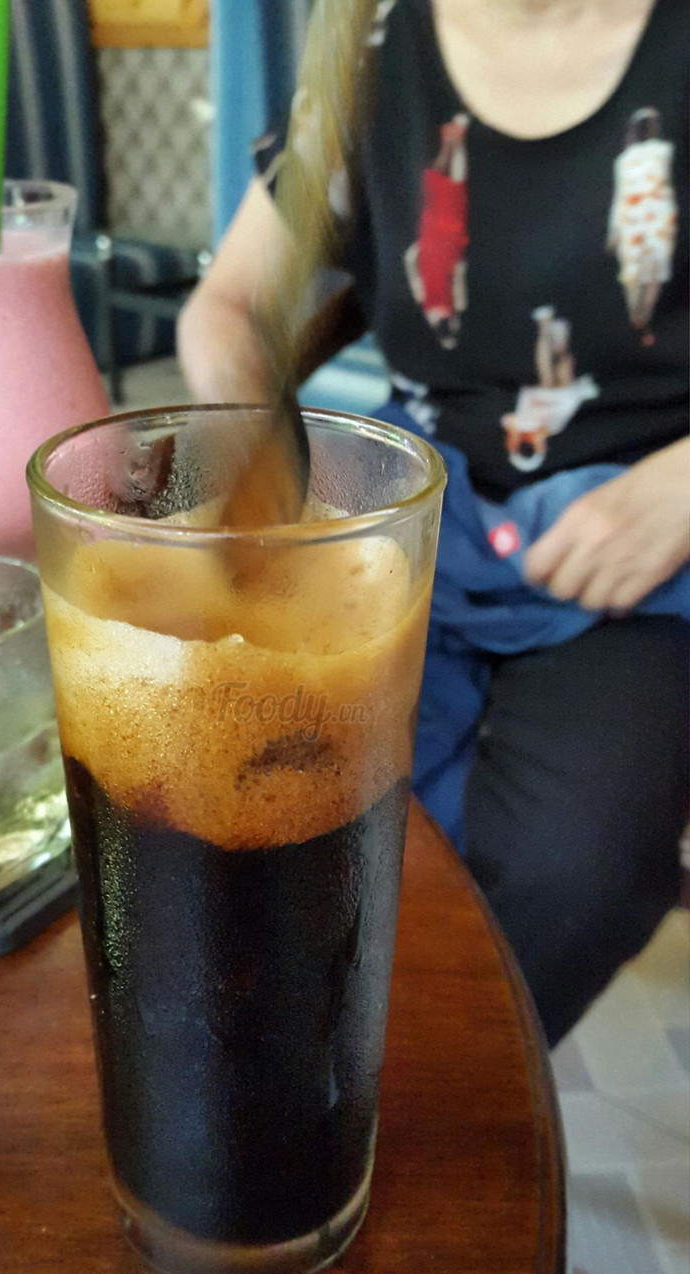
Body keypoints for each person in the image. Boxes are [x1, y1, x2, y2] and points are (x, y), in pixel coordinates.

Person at [178, 0, 689, 1047]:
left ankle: (425, 1082)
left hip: (643, 546)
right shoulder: (372, 46)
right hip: (411, 519)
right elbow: (226, 309)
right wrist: (266, 462)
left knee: (575, 862)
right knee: (258, 782)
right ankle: (314, 1065)